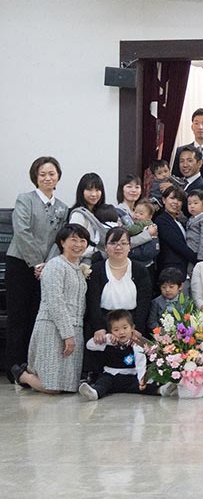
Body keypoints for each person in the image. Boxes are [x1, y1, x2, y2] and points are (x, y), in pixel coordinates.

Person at [6, 156, 70, 379]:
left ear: (58, 177)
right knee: (18, 317)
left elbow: (59, 240)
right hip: (20, 264)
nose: (47, 178)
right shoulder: (25, 199)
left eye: (51, 174)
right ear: (35, 177)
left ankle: (31, 366)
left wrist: (47, 265)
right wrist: (36, 262)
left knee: (37, 317)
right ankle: (13, 367)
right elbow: (21, 232)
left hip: (46, 269)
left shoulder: (62, 207)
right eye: (42, 174)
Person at [12, 225, 90, 394]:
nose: (78, 245)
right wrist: (67, 334)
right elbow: (56, 302)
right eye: (73, 240)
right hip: (52, 327)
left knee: (68, 386)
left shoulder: (78, 268)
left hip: (75, 328)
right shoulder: (55, 266)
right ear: (62, 242)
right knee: (51, 387)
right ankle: (22, 375)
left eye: (82, 240)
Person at [84, 228, 153, 346]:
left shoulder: (140, 270)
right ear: (105, 247)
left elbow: (144, 302)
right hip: (103, 328)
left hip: (131, 327)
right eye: (113, 243)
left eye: (123, 243)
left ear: (129, 246)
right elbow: (92, 301)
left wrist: (137, 328)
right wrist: (98, 327)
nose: (118, 247)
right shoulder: (96, 269)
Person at [78, 310, 164, 400]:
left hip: (130, 376)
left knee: (144, 385)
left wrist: (142, 379)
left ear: (132, 328)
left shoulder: (135, 345)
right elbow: (89, 345)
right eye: (116, 330)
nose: (121, 332)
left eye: (125, 328)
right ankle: (95, 393)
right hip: (111, 375)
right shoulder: (109, 343)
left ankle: (161, 390)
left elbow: (140, 363)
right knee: (103, 381)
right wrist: (107, 338)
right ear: (111, 331)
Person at [68, 173, 119, 266]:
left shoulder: (103, 212)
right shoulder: (79, 215)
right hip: (84, 263)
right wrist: (96, 252)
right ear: (81, 191)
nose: (94, 194)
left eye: (97, 190)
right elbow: (74, 244)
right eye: (89, 190)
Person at [154, 186, 198, 276]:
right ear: (164, 200)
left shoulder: (180, 221)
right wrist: (196, 259)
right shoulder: (161, 220)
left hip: (183, 267)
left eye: (179, 199)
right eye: (172, 198)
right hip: (170, 268)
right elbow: (177, 244)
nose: (175, 202)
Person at [171, 107, 203, 183]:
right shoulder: (180, 151)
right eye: (196, 123)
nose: (200, 127)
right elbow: (176, 177)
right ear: (192, 127)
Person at [123, 200, 159, 268]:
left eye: (141, 214)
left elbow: (133, 231)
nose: (137, 215)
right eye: (135, 212)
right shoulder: (151, 224)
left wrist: (125, 229)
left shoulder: (143, 223)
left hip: (143, 252)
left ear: (149, 217)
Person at [148, 268, 184, 332]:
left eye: (171, 287)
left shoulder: (185, 301)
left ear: (180, 286)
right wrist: (163, 331)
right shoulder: (156, 302)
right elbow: (152, 322)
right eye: (164, 287)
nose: (167, 290)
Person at [185, 189, 203, 262]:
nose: (192, 206)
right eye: (189, 204)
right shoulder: (191, 218)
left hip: (197, 253)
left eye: (195, 203)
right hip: (188, 252)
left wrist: (201, 258)